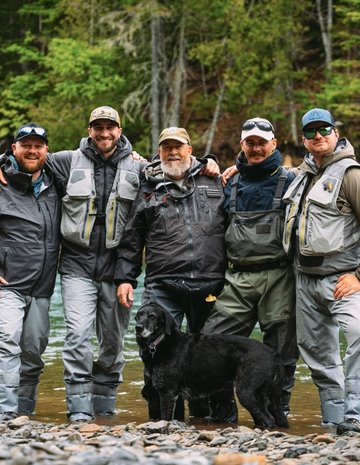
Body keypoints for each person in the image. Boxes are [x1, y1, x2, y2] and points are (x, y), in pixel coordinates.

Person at [115, 126, 227, 420]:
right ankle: (164, 420)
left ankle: (208, 419)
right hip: (162, 285)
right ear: (159, 152)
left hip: (211, 284)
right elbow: (132, 237)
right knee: (154, 349)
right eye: (166, 148)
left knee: (212, 356)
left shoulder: (215, 181)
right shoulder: (148, 187)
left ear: (191, 150)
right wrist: (126, 278)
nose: (173, 153)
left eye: (178, 147)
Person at [47, 106, 149, 423]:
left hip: (119, 271)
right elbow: (28, 160)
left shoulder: (142, 167)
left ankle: (104, 406)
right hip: (76, 265)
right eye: (98, 127)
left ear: (120, 130)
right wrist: (5, 164)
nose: (104, 133)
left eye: (110, 127)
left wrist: (212, 165)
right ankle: (79, 407)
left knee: (113, 343)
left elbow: (180, 170)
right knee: (77, 335)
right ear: (89, 129)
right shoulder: (66, 161)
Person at [202, 117, 299, 422]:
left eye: (261, 142)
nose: (256, 148)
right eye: (250, 143)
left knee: (281, 349)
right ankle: (222, 412)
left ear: (274, 144)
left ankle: (277, 410)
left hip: (279, 276)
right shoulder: (228, 182)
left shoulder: (293, 179)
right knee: (211, 343)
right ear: (242, 145)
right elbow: (176, 165)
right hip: (238, 277)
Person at [283, 108, 360, 435]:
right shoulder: (299, 173)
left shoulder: (351, 174)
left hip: (345, 278)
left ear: (335, 132)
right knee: (317, 353)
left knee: (358, 335)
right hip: (305, 279)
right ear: (304, 138)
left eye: (324, 130)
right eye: (311, 132)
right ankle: (333, 420)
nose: (318, 136)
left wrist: (358, 276)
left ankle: (356, 414)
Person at [0, 123, 61, 421]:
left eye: (39, 145)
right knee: (7, 342)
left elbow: (100, 156)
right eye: (26, 145)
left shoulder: (55, 182)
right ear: (14, 149)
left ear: (47, 150)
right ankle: (5, 413)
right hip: (7, 283)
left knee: (34, 351)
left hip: (43, 287)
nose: (33, 150)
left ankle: (25, 413)